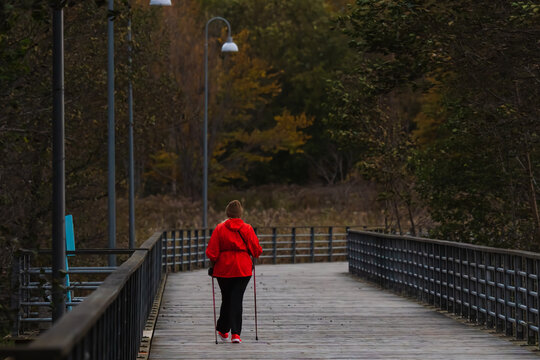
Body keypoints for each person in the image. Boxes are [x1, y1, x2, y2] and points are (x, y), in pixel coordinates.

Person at [206, 200, 262, 344]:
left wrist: (214, 263)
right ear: (240, 214)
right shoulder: (247, 229)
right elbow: (256, 251)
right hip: (243, 269)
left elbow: (212, 252)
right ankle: (235, 334)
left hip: (223, 269)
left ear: (227, 213)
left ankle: (223, 330)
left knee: (227, 298)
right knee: (236, 298)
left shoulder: (219, 228)